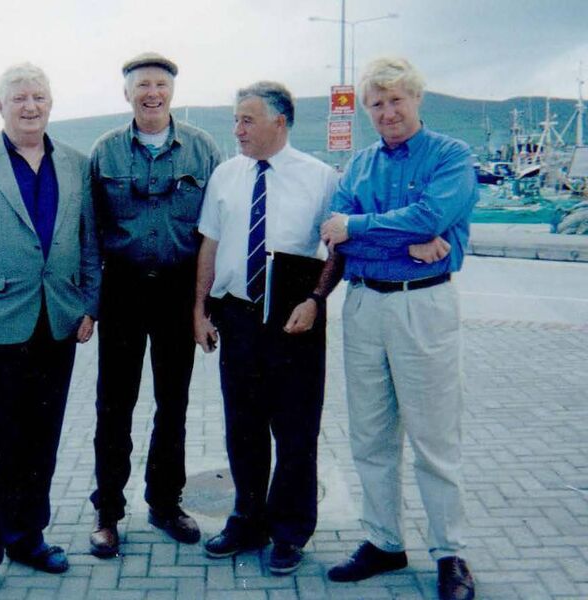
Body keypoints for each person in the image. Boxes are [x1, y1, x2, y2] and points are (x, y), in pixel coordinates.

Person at [0, 62, 101, 600]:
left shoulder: (75, 163)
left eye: (39, 97)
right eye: (20, 98)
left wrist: (89, 305)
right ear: (0, 106)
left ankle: (27, 538)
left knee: (39, 442)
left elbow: (89, 242)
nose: (30, 107)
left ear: (50, 103)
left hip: (56, 323)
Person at [320, 57, 477, 600]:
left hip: (422, 304)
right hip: (364, 304)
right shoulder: (358, 165)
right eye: (376, 104)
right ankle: (384, 541)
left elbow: (430, 217)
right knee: (370, 434)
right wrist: (410, 239)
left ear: (417, 99)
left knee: (434, 437)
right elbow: (332, 233)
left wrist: (362, 227)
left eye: (396, 100)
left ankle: (450, 552)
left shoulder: (450, 156)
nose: (387, 112)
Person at [194, 81, 342, 575]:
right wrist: (198, 309)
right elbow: (210, 244)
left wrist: (316, 301)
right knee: (243, 426)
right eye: (236, 120)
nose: (237, 130)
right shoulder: (225, 175)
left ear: (279, 122)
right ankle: (247, 519)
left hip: (294, 319)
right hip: (237, 316)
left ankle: (290, 531)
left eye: (247, 120)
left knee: (296, 429)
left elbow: (336, 250)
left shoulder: (320, 178)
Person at [88, 52, 221, 558]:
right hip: (121, 288)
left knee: (173, 404)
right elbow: (88, 232)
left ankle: (165, 504)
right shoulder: (104, 152)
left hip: (177, 289)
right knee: (113, 405)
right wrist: (90, 303)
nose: (152, 94)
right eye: (142, 85)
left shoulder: (203, 150)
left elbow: (216, 231)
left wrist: (204, 306)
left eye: (160, 85)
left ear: (172, 92)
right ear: (126, 93)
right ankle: (107, 512)